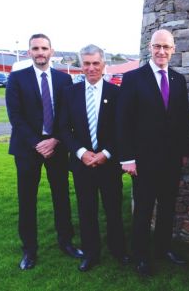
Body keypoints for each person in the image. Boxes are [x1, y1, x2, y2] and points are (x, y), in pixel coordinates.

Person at [116, 29, 189, 277]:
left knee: (168, 207)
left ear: (173, 50)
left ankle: (163, 249)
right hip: (143, 161)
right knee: (144, 210)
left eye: (166, 47)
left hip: (171, 160)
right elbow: (123, 121)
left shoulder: (179, 80)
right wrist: (127, 158)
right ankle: (141, 256)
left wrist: (184, 152)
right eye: (157, 46)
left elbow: (183, 119)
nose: (161, 51)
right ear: (150, 47)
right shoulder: (134, 78)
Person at [6, 33, 82, 270]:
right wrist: (37, 143)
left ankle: (66, 242)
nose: (40, 52)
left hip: (57, 148)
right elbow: (15, 117)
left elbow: (66, 117)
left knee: (61, 196)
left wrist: (55, 140)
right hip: (27, 149)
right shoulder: (17, 79)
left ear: (51, 51)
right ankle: (29, 250)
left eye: (44, 48)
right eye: (35, 48)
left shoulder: (63, 80)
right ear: (29, 52)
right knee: (27, 200)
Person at [59, 44, 129, 272]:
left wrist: (106, 153)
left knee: (113, 209)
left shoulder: (116, 93)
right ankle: (91, 253)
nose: (91, 68)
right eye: (86, 63)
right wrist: (81, 153)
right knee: (86, 211)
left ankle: (118, 250)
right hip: (82, 165)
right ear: (81, 65)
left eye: (95, 63)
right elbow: (63, 128)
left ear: (103, 65)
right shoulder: (69, 94)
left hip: (108, 164)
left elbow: (122, 129)